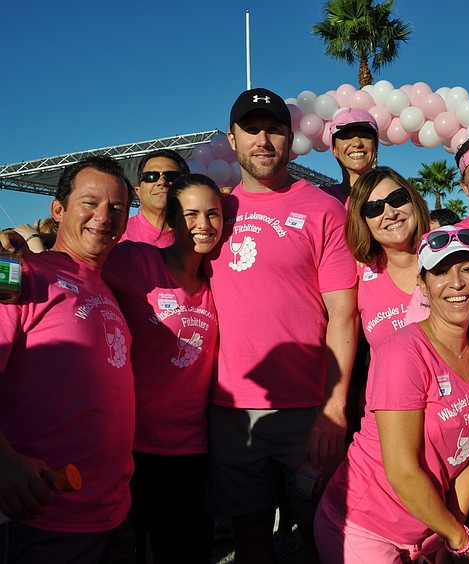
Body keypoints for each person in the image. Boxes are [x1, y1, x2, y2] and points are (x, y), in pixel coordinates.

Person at [205, 87, 357, 564]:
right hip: (231, 410)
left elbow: (343, 313)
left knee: (321, 530)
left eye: (273, 130)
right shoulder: (214, 214)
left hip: (307, 410)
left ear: (290, 139)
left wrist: (333, 407)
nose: (263, 140)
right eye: (251, 130)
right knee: (249, 533)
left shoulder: (323, 209)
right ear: (232, 139)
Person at [315, 225, 469, 563]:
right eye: (440, 272)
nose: (456, 283)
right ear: (422, 284)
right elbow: (401, 471)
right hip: (363, 528)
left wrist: (450, 533)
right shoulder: (404, 351)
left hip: (426, 532)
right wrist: (460, 540)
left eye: (467, 269)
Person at [0, 155, 135, 563]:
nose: (104, 217)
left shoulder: (106, 285)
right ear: (58, 210)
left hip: (114, 512)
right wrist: (3, 461)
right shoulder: (22, 276)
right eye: (90, 202)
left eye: (117, 207)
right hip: (44, 515)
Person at [103, 174, 222, 564]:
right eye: (190, 214)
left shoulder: (218, 281)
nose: (203, 224)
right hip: (131, 444)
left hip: (192, 447)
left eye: (212, 214)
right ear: (171, 220)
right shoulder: (135, 260)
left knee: (186, 550)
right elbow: (77, 269)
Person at [346, 166, 432, 348]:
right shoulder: (356, 272)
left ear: (413, 201)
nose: (391, 214)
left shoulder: (447, 258)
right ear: (362, 220)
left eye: (397, 199)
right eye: (374, 208)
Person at [121, 149, 190, 247]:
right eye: (151, 176)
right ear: (138, 191)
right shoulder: (116, 235)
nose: (161, 182)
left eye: (172, 176)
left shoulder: (203, 234)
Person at [322, 107, 379, 204]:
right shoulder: (320, 197)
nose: (357, 143)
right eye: (346, 137)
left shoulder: (396, 196)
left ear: (375, 146)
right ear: (334, 149)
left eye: (365, 136)